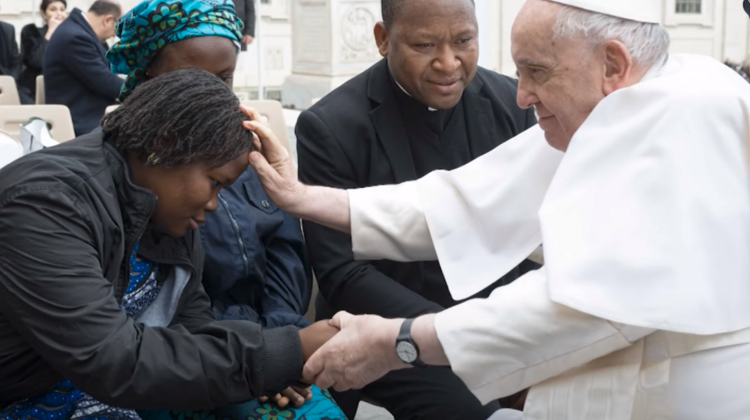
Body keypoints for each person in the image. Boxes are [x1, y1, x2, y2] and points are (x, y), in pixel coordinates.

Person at [243, 0, 750, 418]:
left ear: (613, 64)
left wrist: (402, 340)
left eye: (536, 72)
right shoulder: (616, 100)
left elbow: (589, 302)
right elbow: (464, 200)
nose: (523, 94)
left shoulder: (686, 114)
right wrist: (304, 198)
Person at [0, 67, 340, 420]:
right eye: (214, 182)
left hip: (110, 383)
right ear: (164, 145)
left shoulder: (160, 203)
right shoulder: (45, 203)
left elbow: (192, 323)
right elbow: (111, 359)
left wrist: (266, 369)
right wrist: (282, 353)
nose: (213, 204)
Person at [295, 0, 536, 417]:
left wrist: (523, 333)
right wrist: (452, 335)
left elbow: (534, 236)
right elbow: (342, 273)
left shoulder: (511, 105)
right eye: (424, 45)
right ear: (383, 39)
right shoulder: (329, 126)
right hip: (382, 330)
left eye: (464, 41)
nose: (448, 63)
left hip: (501, 325)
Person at [106, 1, 346, 418]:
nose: (212, 94)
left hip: (272, 341)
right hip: (183, 356)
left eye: (224, 78)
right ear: (147, 75)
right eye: (191, 78)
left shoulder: (246, 154)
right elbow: (163, 301)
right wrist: (257, 356)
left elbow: (285, 251)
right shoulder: (127, 172)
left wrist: (279, 338)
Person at [44, 0, 124, 136]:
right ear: (107, 20)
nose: (115, 35)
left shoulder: (80, 31)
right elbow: (105, 81)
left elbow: (111, 68)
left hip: (88, 112)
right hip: (81, 120)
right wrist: (147, 90)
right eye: (118, 27)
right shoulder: (76, 37)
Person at [19, 0, 67, 101]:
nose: (58, 14)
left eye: (62, 10)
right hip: (33, 89)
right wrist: (51, 31)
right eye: (53, 9)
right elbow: (38, 61)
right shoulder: (32, 32)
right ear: (44, 14)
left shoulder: (72, 35)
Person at [0, 18, 33, 104]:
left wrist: (10, 82)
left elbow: (15, 62)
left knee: (28, 105)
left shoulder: (7, 29)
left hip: (6, 81)